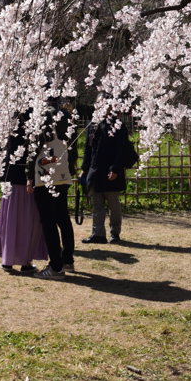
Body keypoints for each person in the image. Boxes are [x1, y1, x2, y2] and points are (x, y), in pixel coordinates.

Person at [26, 98, 78, 279]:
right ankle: (67, 259)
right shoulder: (68, 115)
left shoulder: (43, 115)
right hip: (63, 171)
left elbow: (34, 147)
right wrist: (72, 167)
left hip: (45, 173)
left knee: (48, 221)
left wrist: (29, 175)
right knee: (63, 216)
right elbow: (74, 145)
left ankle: (56, 267)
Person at [0, 113, 47, 273]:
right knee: (27, 222)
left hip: (9, 176)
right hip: (25, 179)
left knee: (10, 221)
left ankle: (7, 260)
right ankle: (25, 262)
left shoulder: (5, 119)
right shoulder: (31, 121)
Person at [81, 104, 131, 244]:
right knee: (97, 204)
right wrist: (85, 168)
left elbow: (122, 149)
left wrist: (115, 168)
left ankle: (115, 233)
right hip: (95, 170)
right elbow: (87, 148)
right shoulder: (93, 124)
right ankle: (98, 233)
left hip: (110, 171)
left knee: (113, 204)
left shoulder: (117, 124)